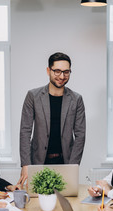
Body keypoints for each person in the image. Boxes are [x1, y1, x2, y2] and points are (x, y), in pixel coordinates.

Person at [18, 52, 86, 186]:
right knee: (37, 203)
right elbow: (25, 131)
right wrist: (26, 164)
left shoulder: (76, 99)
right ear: (48, 70)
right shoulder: (33, 96)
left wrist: (73, 167)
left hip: (65, 163)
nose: (62, 76)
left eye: (66, 72)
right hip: (38, 162)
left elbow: (80, 135)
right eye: (57, 71)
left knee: (65, 203)